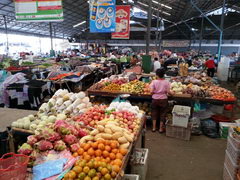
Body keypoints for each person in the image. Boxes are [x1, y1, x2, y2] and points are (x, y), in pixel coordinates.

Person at [150, 68, 171, 133]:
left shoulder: (154, 82)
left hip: (155, 99)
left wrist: (155, 92)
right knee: (163, 114)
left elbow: (151, 91)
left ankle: (153, 128)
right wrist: (172, 93)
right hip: (163, 99)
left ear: (157, 75)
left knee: (154, 113)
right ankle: (160, 129)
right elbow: (168, 92)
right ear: (163, 74)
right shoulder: (167, 82)